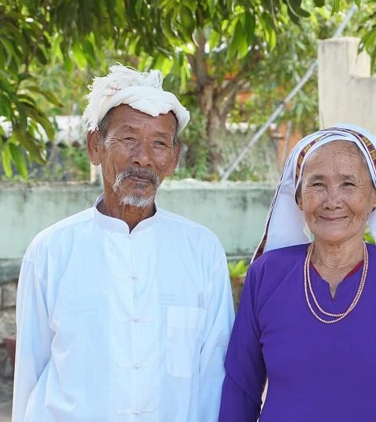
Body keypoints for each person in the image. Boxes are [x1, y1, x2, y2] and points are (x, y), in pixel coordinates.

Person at [12, 64, 234, 422]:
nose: (143, 158)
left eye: (159, 143)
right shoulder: (51, 251)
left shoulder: (202, 251)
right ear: (95, 147)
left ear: (174, 159)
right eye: (129, 139)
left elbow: (213, 373)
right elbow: (29, 374)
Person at [218, 124, 376, 422]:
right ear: (299, 198)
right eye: (317, 185)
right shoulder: (267, 275)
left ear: (375, 196)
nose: (332, 201)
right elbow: (241, 388)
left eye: (348, 184)